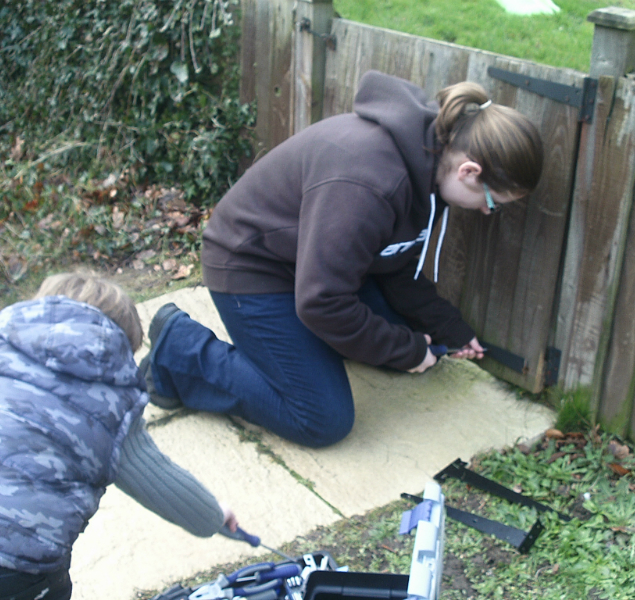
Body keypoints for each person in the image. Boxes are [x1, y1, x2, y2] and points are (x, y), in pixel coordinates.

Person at [141, 70, 544, 449]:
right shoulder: (369, 182)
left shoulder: (432, 166)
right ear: (470, 171)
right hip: (252, 265)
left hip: (309, 263)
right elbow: (322, 303)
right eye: (494, 201)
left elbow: (397, 262)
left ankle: (306, 344)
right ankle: (181, 349)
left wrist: (447, 327)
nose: (489, 213)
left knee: (400, 336)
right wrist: (406, 350)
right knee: (321, 418)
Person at [0, 271, 239, 600]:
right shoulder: (113, 399)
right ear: (123, 344)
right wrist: (212, 516)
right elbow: (157, 479)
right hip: (8, 564)